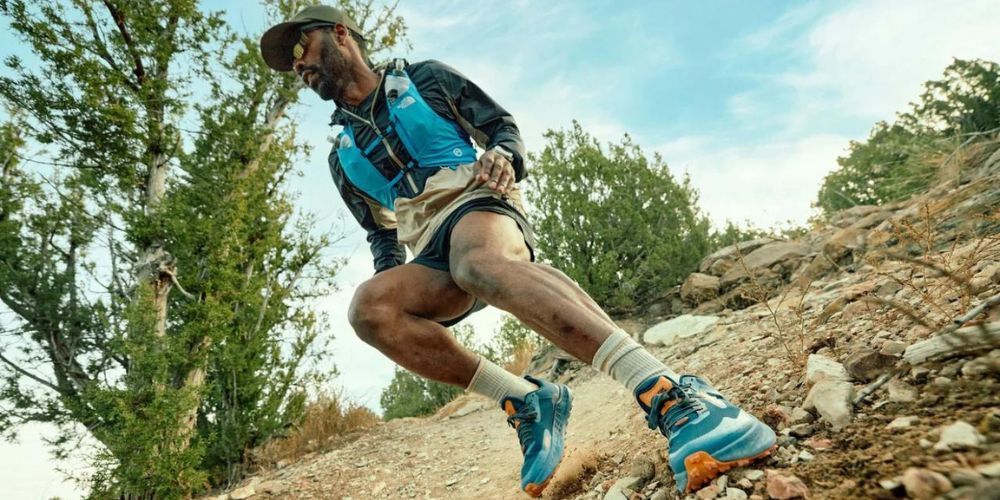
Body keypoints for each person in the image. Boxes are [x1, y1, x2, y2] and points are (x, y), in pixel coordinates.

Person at [259, 6, 776, 496]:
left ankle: (669, 392)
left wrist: (504, 156)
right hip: (430, 249)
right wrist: (395, 291)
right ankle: (526, 400)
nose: (299, 65)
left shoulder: (425, 80)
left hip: (480, 203)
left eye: (301, 46)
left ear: (342, 34)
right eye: (291, 64)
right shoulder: (341, 156)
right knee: (369, 311)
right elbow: (381, 235)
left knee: (478, 263)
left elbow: (503, 129)